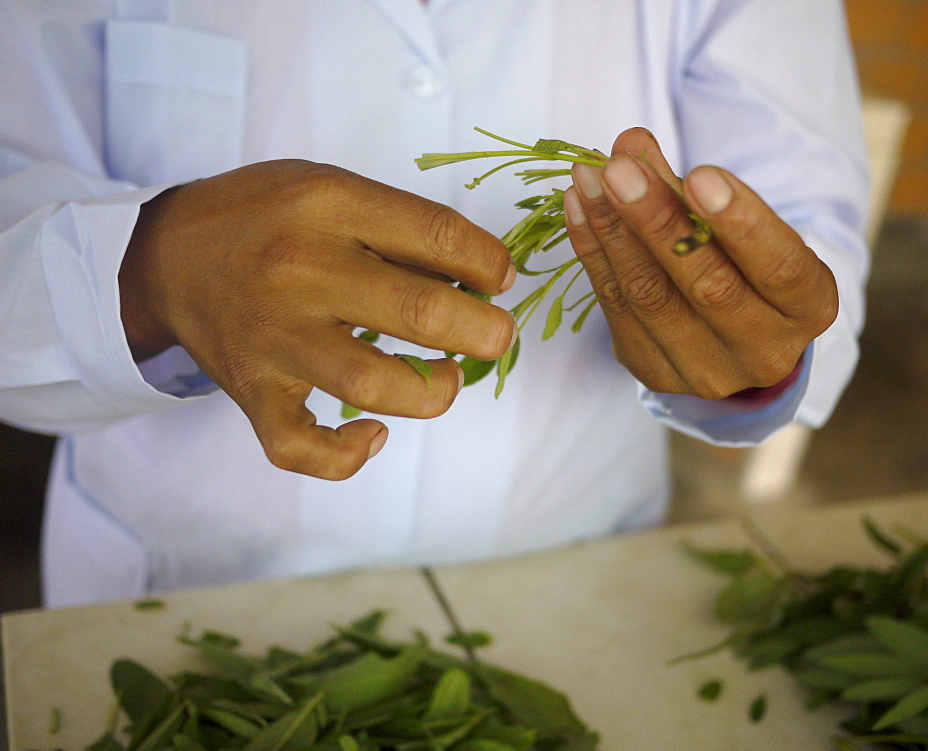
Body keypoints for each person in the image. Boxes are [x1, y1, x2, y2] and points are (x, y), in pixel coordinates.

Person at [0, 1, 870, 609]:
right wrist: (149, 269)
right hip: (181, 585)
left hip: (569, 577)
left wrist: (754, 339)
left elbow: (804, 214)